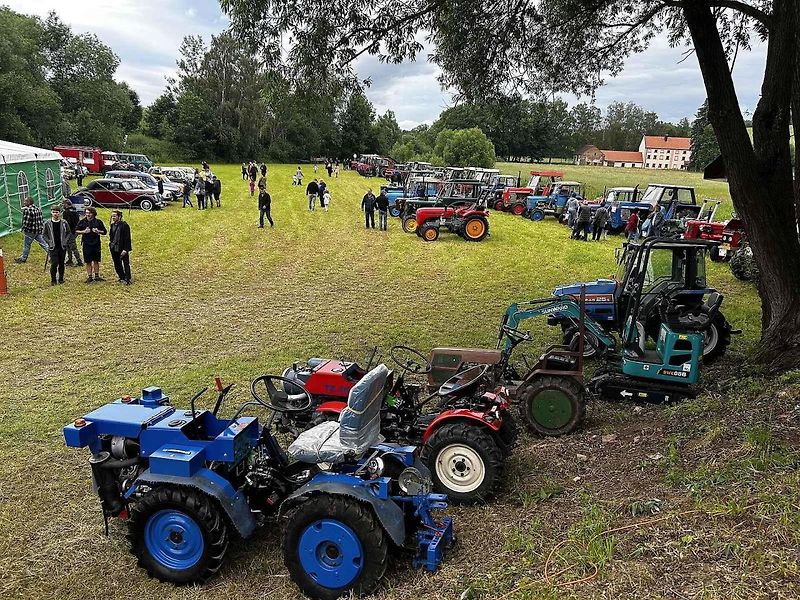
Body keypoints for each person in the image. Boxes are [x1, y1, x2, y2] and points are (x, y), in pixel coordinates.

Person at [75, 206, 107, 282]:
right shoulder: (82, 222)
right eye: (86, 213)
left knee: (96, 260)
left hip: (96, 243)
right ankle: (90, 277)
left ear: (93, 213)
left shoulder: (98, 222)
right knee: (88, 261)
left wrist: (98, 231)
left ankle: (97, 276)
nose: (88, 214)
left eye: (89, 213)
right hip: (86, 244)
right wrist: (84, 232)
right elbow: (76, 231)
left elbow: (104, 232)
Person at [14, 197, 48, 263]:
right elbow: (41, 220)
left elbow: (27, 222)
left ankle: (23, 258)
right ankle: (53, 255)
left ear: (29, 202)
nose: (24, 202)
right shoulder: (38, 209)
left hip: (30, 231)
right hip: (38, 231)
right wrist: (41, 229)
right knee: (43, 244)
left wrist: (23, 228)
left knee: (27, 245)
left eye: (25, 201)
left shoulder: (27, 210)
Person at [42, 205, 70, 285]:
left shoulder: (64, 222)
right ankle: (53, 280)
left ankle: (61, 279)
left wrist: (65, 241)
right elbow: (44, 234)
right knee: (54, 263)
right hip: (53, 247)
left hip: (62, 246)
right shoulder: (47, 223)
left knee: (61, 263)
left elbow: (68, 232)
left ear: (60, 213)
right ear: (51, 213)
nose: (55, 214)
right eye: (53, 212)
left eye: (57, 212)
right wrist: (49, 242)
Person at [109, 210, 132, 284]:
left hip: (122, 247)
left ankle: (128, 278)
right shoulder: (112, 225)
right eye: (112, 216)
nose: (113, 217)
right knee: (117, 263)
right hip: (114, 247)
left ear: (119, 216)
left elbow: (127, 238)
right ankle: (121, 277)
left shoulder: (124, 225)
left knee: (125, 263)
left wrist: (125, 249)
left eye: (114, 216)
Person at [61, 198, 83, 267]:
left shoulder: (66, 212)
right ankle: (70, 260)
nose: (62, 206)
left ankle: (79, 261)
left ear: (66, 204)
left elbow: (67, 223)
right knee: (68, 245)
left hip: (70, 231)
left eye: (63, 204)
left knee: (72, 246)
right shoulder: (75, 210)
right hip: (75, 230)